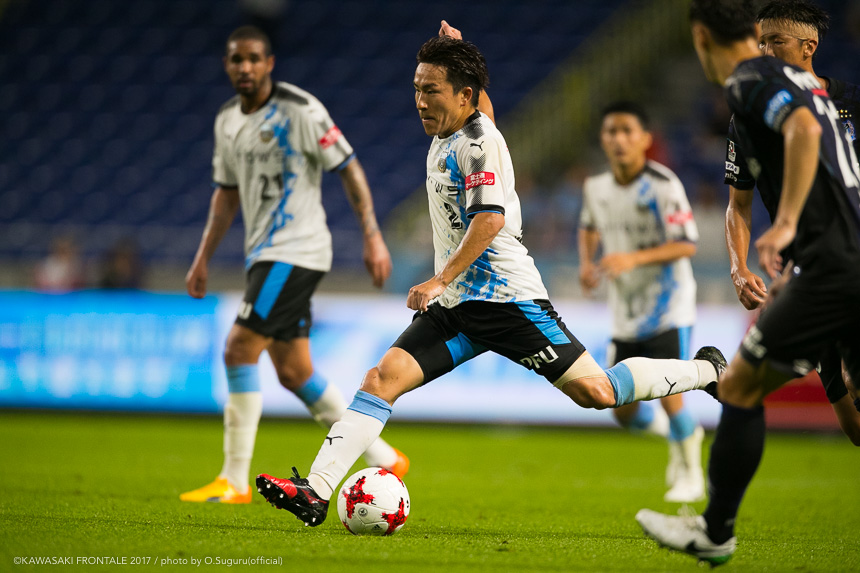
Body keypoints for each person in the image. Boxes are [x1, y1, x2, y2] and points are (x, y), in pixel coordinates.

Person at [254, 28, 725, 528]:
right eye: (416, 89)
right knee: (381, 379)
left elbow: (490, 219)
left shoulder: (479, 145)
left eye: (431, 90)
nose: (420, 101)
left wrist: (439, 279)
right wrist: (459, 51)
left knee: (598, 394)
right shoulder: (457, 130)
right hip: (458, 309)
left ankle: (707, 371)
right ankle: (317, 490)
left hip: (507, 301)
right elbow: (485, 109)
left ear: (463, 96)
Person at [636, 0, 860, 565]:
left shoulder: (751, 80)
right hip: (835, 261)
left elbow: (803, 131)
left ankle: (715, 532)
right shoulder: (799, 87)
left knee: (737, 386)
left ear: (701, 38)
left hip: (833, 265)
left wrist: (784, 224)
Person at [180, 25, 408, 505]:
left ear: (269, 63)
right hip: (263, 253)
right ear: (227, 65)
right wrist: (202, 257)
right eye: (236, 59)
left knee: (238, 349)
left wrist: (372, 235)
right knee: (294, 371)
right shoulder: (227, 120)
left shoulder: (300, 110)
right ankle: (386, 458)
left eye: (254, 58)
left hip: (296, 250)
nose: (245, 67)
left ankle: (233, 481)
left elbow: (349, 167)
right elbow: (226, 194)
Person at [723, 0, 860, 444]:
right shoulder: (748, 114)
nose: (765, 51)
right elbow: (738, 205)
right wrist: (738, 266)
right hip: (808, 268)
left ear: (808, 46)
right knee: (853, 424)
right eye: (760, 42)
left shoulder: (852, 104)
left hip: (846, 260)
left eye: (776, 41)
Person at [579, 101, 704, 503]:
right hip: (626, 312)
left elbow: (687, 244)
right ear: (603, 139)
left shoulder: (663, 185)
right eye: (611, 131)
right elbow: (588, 226)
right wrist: (586, 263)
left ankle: (691, 475)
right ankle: (678, 435)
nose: (618, 139)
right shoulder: (595, 187)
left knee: (670, 395)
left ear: (645, 139)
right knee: (620, 408)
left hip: (669, 307)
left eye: (627, 131)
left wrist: (632, 258)